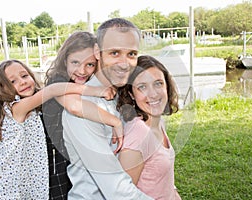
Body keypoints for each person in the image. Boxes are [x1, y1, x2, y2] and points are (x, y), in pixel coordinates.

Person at [0, 59, 115, 200]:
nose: (22, 82)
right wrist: (96, 91)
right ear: (3, 90)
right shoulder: (16, 109)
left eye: (24, 76)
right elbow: (52, 90)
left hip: (17, 192)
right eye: (12, 82)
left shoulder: (35, 110)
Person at [62, 18, 153, 199]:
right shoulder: (83, 110)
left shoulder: (123, 94)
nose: (124, 63)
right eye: (114, 53)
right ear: (97, 52)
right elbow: (116, 189)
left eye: (132, 54)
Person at [42, 31, 123, 199]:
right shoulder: (57, 80)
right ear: (65, 60)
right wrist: (115, 122)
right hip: (54, 159)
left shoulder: (85, 81)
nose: (82, 70)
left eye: (90, 65)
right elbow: (74, 106)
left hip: (72, 156)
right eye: (75, 62)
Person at [117, 55, 181, 200]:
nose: (153, 94)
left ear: (167, 85)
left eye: (158, 83)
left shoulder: (157, 122)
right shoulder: (138, 135)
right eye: (142, 87)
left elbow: (166, 184)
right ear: (131, 94)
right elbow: (123, 195)